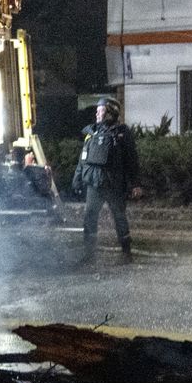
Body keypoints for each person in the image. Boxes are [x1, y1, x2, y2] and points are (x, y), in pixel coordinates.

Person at [72, 97, 140, 262]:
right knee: (90, 217)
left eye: (100, 109)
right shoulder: (92, 133)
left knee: (119, 217)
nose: (97, 112)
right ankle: (89, 253)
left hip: (114, 184)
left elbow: (132, 160)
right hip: (94, 184)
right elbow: (84, 158)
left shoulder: (122, 133)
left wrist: (136, 184)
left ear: (111, 113)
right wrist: (77, 178)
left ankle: (126, 253)